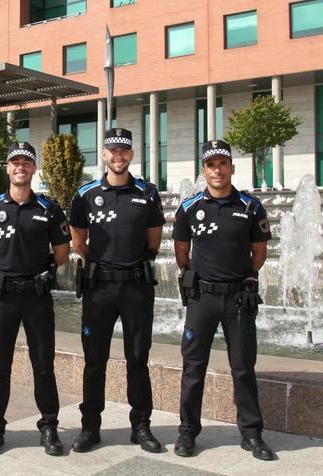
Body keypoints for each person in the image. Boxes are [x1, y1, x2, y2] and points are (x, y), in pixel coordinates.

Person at [173, 139, 275, 461]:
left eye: (222, 164)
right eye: (211, 165)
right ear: (204, 170)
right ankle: (188, 431)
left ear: (232, 167)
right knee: (193, 367)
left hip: (238, 300)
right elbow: (181, 252)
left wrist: (241, 276)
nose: (217, 170)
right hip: (202, 298)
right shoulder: (189, 208)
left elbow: (259, 253)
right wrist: (198, 277)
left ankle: (252, 433)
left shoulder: (250, 207)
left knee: (243, 367)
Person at [0, 141, 70, 456]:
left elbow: (63, 253)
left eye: (27, 162)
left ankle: (49, 426)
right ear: (8, 168)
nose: (21, 167)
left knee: (43, 364)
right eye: (15, 162)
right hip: (3, 299)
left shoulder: (48, 209)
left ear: (33, 168)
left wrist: (41, 271)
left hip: (37, 298)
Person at [69, 128, 165, 454]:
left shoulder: (148, 194)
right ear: (105, 155)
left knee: (137, 359)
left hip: (137, 288)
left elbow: (154, 241)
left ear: (132, 155)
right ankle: (90, 428)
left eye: (124, 151)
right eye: (113, 151)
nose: (119, 156)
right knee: (94, 361)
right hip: (99, 289)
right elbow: (79, 242)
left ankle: (141, 426)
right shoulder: (85, 195)